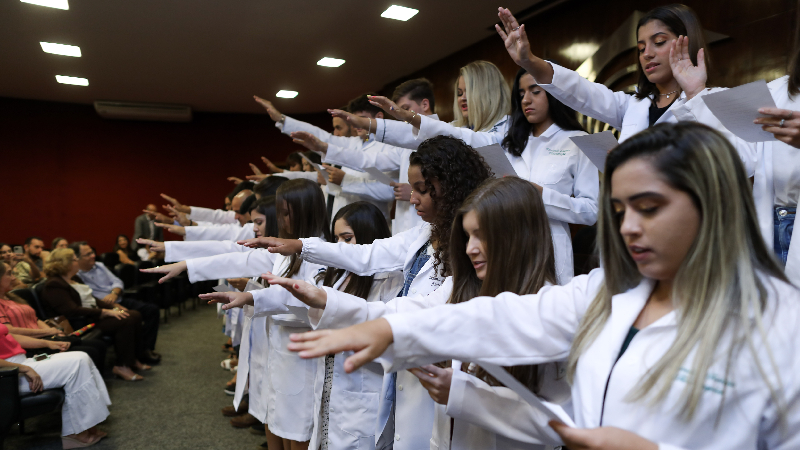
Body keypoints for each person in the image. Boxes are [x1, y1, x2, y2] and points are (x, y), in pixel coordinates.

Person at [290, 123, 800, 450]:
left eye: (648, 208)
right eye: (619, 212)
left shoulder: (782, 323)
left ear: (714, 202)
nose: (627, 229)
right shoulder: (611, 290)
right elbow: (507, 315)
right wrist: (391, 331)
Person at [267, 177, 569, 450]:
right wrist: (324, 299)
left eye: (481, 236)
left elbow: (558, 424)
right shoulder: (462, 287)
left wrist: (462, 394)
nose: (471, 249)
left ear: (517, 235)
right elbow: (403, 311)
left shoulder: (550, 307)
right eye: (467, 238)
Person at [237, 136, 492, 450]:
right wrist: (303, 246)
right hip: (408, 362)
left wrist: (326, 300)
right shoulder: (428, 232)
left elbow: (423, 309)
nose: (412, 199)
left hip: (434, 366)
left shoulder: (468, 250)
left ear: (449, 186)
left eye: (421, 189)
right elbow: (369, 255)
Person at [142, 178, 332, 450]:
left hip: (302, 357)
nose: (281, 220)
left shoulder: (321, 253)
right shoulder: (287, 250)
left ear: (306, 211)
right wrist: (184, 263)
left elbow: (304, 303)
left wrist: (252, 295)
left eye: (285, 213)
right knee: (277, 420)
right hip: (280, 353)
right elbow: (235, 256)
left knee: (297, 429)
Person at [367, 66, 599, 284]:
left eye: (535, 91)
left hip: (551, 247)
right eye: (521, 93)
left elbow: (591, 211)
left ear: (555, 92)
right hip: (504, 243)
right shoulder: (509, 140)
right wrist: (410, 117)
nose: (526, 99)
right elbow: (458, 135)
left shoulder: (579, 141)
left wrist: (540, 195)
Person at [202, 201, 404, 450]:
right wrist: (252, 296)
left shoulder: (392, 281)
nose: (341, 247)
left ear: (371, 238)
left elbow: (384, 329)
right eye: (337, 239)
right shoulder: (338, 274)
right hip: (330, 386)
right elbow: (299, 299)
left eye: (348, 238)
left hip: (363, 389)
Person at [495, 5, 714, 143]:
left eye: (659, 42)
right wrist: (529, 61)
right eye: (640, 48)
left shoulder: (712, 100)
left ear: (687, 41)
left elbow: (733, 160)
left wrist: (695, 93)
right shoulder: (632, 106)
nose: (647, 54)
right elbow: (579, 90)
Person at [42, 248, 150, 382]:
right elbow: (72, 311)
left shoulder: (74, 278)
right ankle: (122, 366)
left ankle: (132, 359)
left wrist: (113, 306)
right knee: (126, 320)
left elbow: (93, 299)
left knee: (133, 314)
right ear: (66, 264)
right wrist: (104, 312)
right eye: (75, 260)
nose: (78, 262)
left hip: (92, 316)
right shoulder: (54, 284)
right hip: (81, 323)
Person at [0, 323, 111, 448]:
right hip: (9, 374)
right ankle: (74, 432)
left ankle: (88, 425)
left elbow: (9, 336)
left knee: (82, 356)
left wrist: (47, 343)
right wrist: (24, 368)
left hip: (21, 362)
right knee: (77, 363)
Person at [0, 262, 108, 372]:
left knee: (98, 345)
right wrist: (49, 332)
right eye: (9, 274)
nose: (13, 278)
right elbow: (9, 331)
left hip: (44, 338)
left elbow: (35, 319)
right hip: (30, 345)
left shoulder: (12, 297)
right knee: (90, 352)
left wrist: (54, 332)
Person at [70, 241, 161, 364]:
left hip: (118, 298)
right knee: (131, 316)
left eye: (92, 252)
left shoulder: (100, 266)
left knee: (152, 310)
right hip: (103, 307)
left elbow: (117, 281)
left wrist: (114, 293)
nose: (92, 256)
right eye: (87, 254)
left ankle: (146, 349)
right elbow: (88, 298)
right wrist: (112, 305)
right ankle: (135, 355)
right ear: (77, 259)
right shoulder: (75, 276)